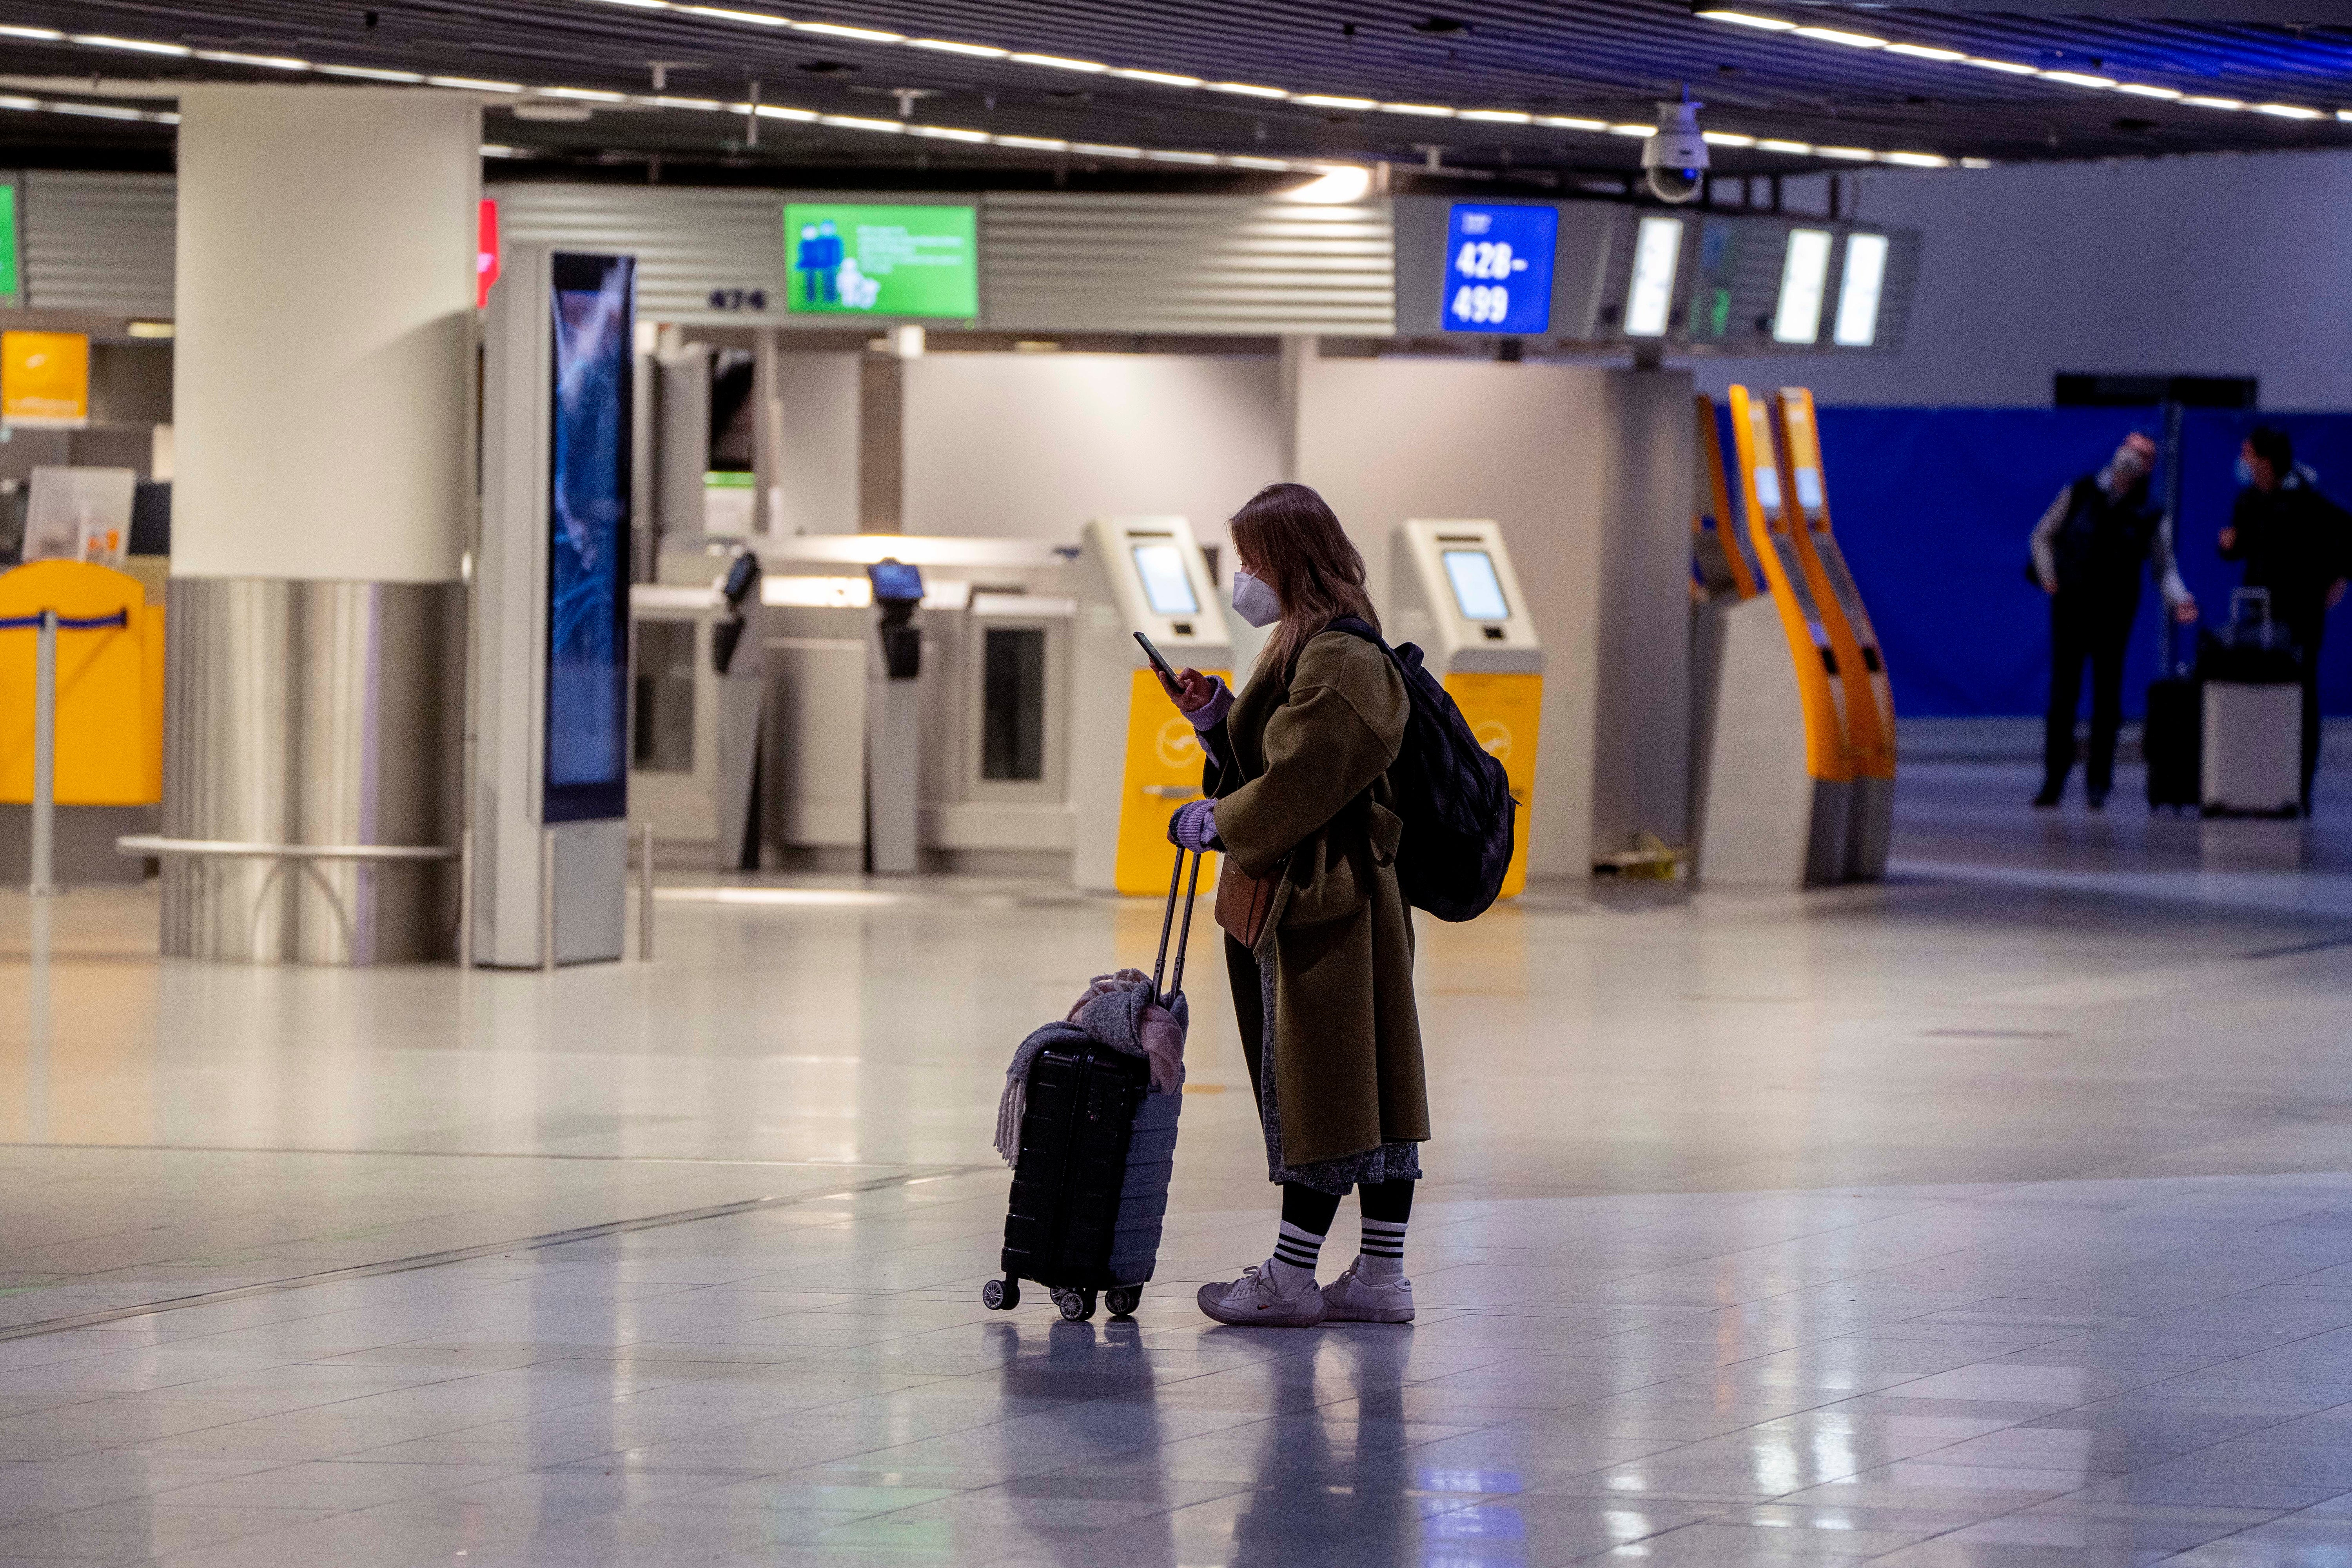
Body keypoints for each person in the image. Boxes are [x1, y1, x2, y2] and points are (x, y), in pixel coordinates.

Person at [1159, 482, 1428, 1328]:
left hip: (1326, 901)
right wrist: (1215, 719)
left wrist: (1220, 821)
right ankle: (1379, 1277)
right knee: (1370, 1084)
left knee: (1318, 1086)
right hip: (1340, 894)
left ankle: (1290, 1275)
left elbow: (1305, 777)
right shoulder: (1308, 645)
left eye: (1251, 561)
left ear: (1291, 561)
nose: (1243, 578)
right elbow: (1281, 755)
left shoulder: (1341, 656)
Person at [2029, 431, 2198, 810]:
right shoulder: (2080, 492)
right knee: (2063, 698)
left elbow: (2163, 566)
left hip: (2114, 615)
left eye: (2147, 456)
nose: (2136, 459)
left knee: (2107, 700)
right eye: (2133, 450)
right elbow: (2043, 535)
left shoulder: (2151, 513)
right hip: (2071, 609)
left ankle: (2098, 784)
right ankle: (2054, 779)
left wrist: (2180, 599)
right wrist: (2048, 576)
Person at [2219, 426, 2352, 815]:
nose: (2242, 461)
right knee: (2259, 690)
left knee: (2301, 691)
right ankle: (2259, 783)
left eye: (2248, 454)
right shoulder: (2249, 501)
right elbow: (2239, 547)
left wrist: (2339, 576)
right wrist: (2226, 544)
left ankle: (2300, 787)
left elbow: (2345, 537)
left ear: (2266, 460)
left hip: (2300, 612)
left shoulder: (2308, 502)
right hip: (2258, 609)